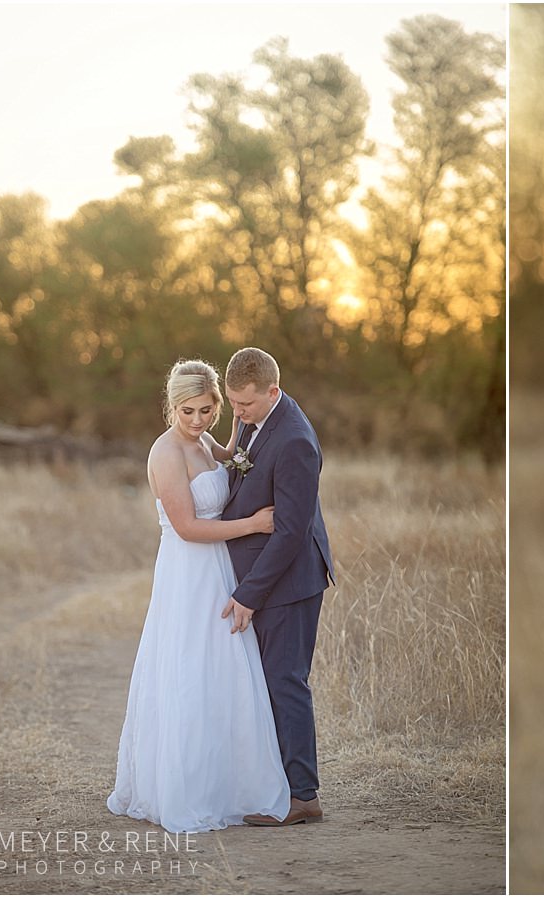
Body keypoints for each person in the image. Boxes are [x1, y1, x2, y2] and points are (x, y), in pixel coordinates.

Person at [108, 359, 290, 833]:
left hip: (219, 569)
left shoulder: (205, 438)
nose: (196, 421)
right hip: (187, 573)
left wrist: (236, 426)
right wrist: (253, 524)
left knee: (226, 667)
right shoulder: (165, 454)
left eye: (207, 410)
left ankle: (233, 783)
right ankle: (186, 786)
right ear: (172, 406)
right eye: (187, 411)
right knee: (190, 668)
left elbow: (228, 457)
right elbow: (187, 527)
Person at [218, 346, 335, 827]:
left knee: (285, 683)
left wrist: (249, 594)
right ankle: (276, 784)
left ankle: (303, 797)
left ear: (273, 390)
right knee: (266, 683)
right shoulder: (256, 420)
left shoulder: (294, 442)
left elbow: (290, 532)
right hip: (265, 575)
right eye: (234, 404)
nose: (238, 415)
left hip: (289, 582)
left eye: (244, 405)